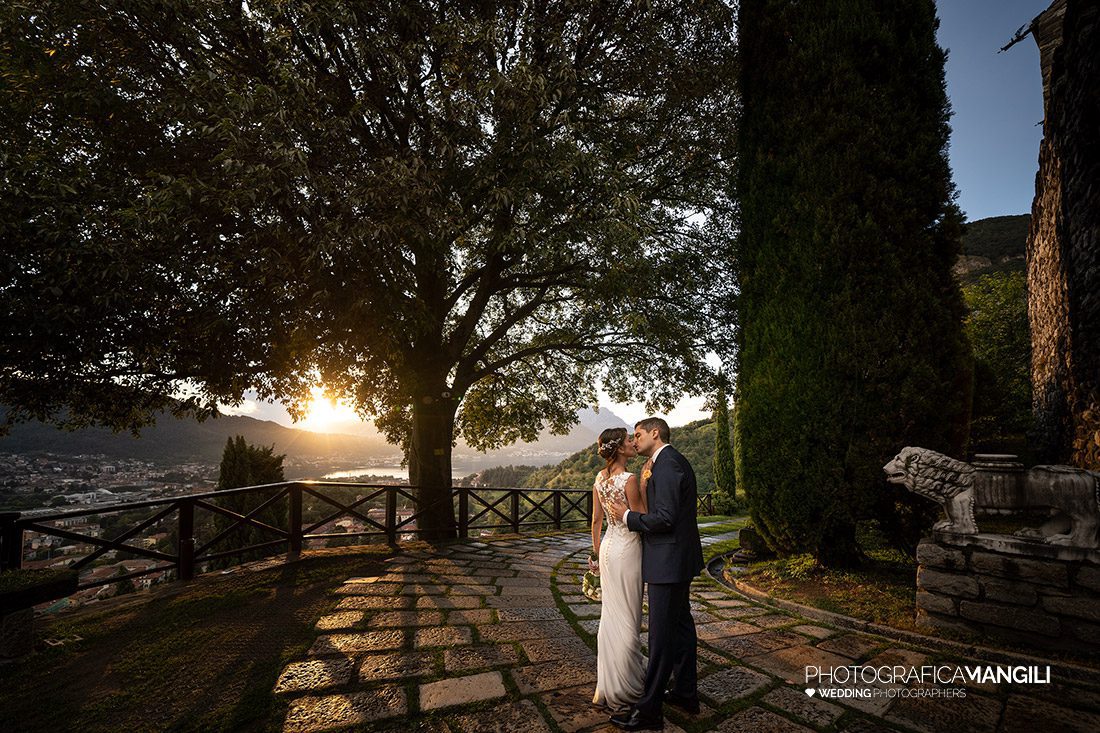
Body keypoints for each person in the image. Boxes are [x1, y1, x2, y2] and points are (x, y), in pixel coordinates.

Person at [607, 417, 704, 731]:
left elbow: (665, 518)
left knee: (661, 637)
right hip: (675, 559)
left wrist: (627, 516)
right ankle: (686, 694)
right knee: (681, 627)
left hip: (669, 561)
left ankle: (650, 712)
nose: (634, 441)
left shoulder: (668, 464)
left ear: (655, 433)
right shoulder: (661, 463)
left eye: (638, 435)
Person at [590, 426, 647, 712]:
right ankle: (627, 685)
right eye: (628, 440)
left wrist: (597, 555)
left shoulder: (599, 479)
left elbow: (596, 522)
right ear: (619, 449)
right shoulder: (630, 480)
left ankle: (607, 683)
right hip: (628, 550)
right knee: (628, 617)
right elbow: (642, 518)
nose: (632, 443)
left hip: (610, 550)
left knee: (610, 615)